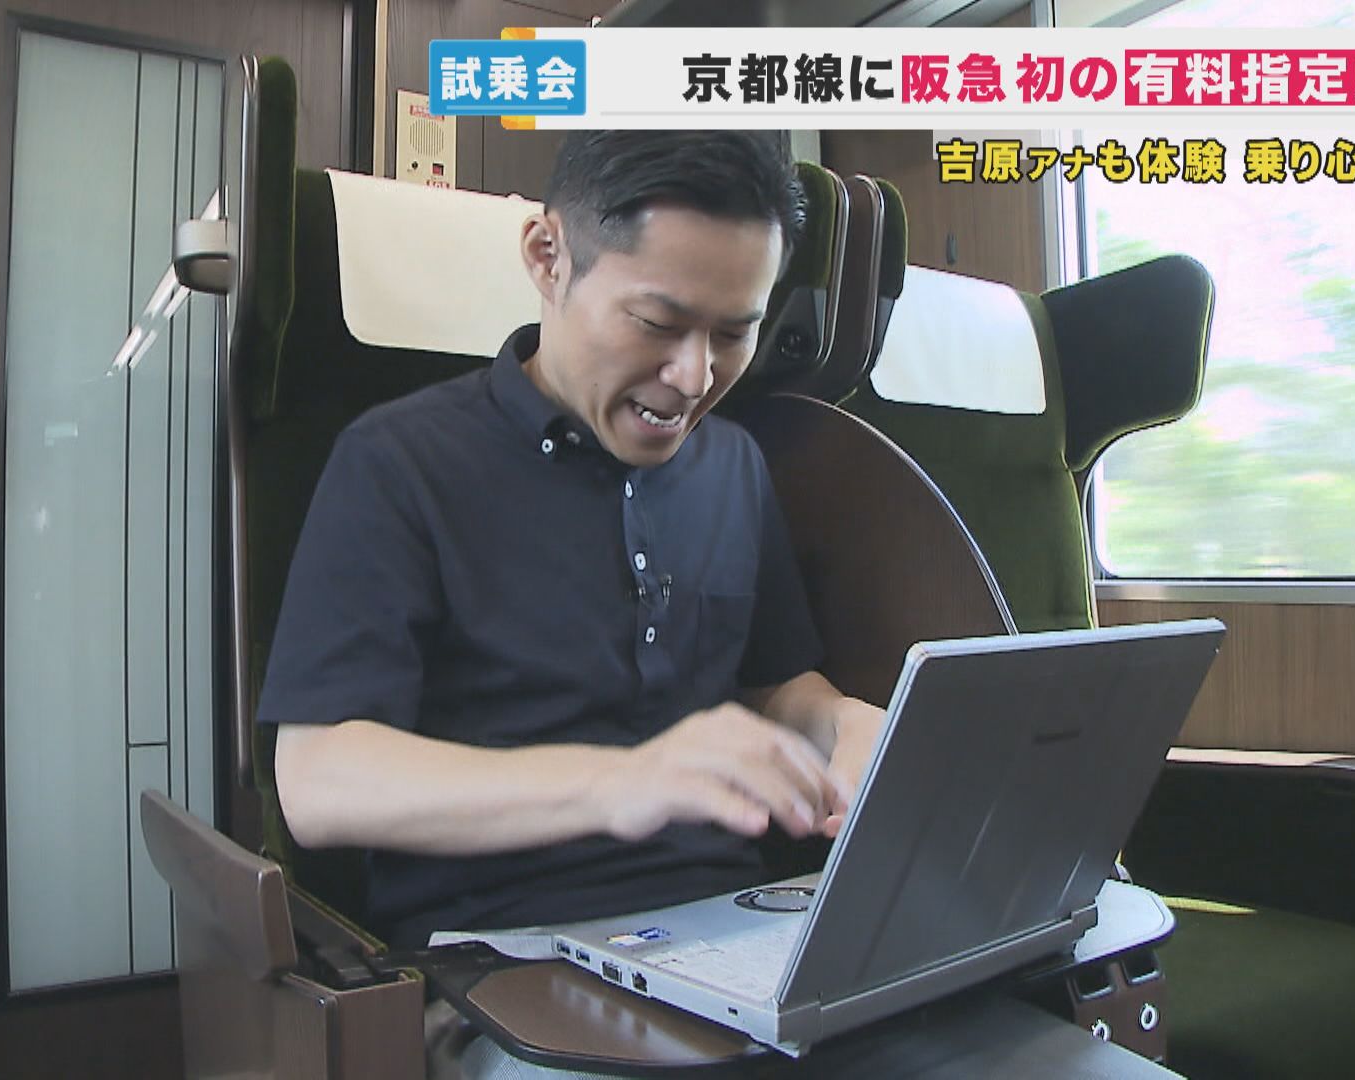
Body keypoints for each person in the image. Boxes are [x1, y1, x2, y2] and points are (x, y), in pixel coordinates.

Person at [255, 129, 887, 1076]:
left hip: (735, 932)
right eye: (658, 322)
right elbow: (317, 781)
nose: (695, 377)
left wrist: (843, 724)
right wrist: (618, 783)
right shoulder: (399, 463)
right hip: (501, 969)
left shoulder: (735, 465)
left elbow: (772, 685)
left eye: (733, 333)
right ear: (548, 257)